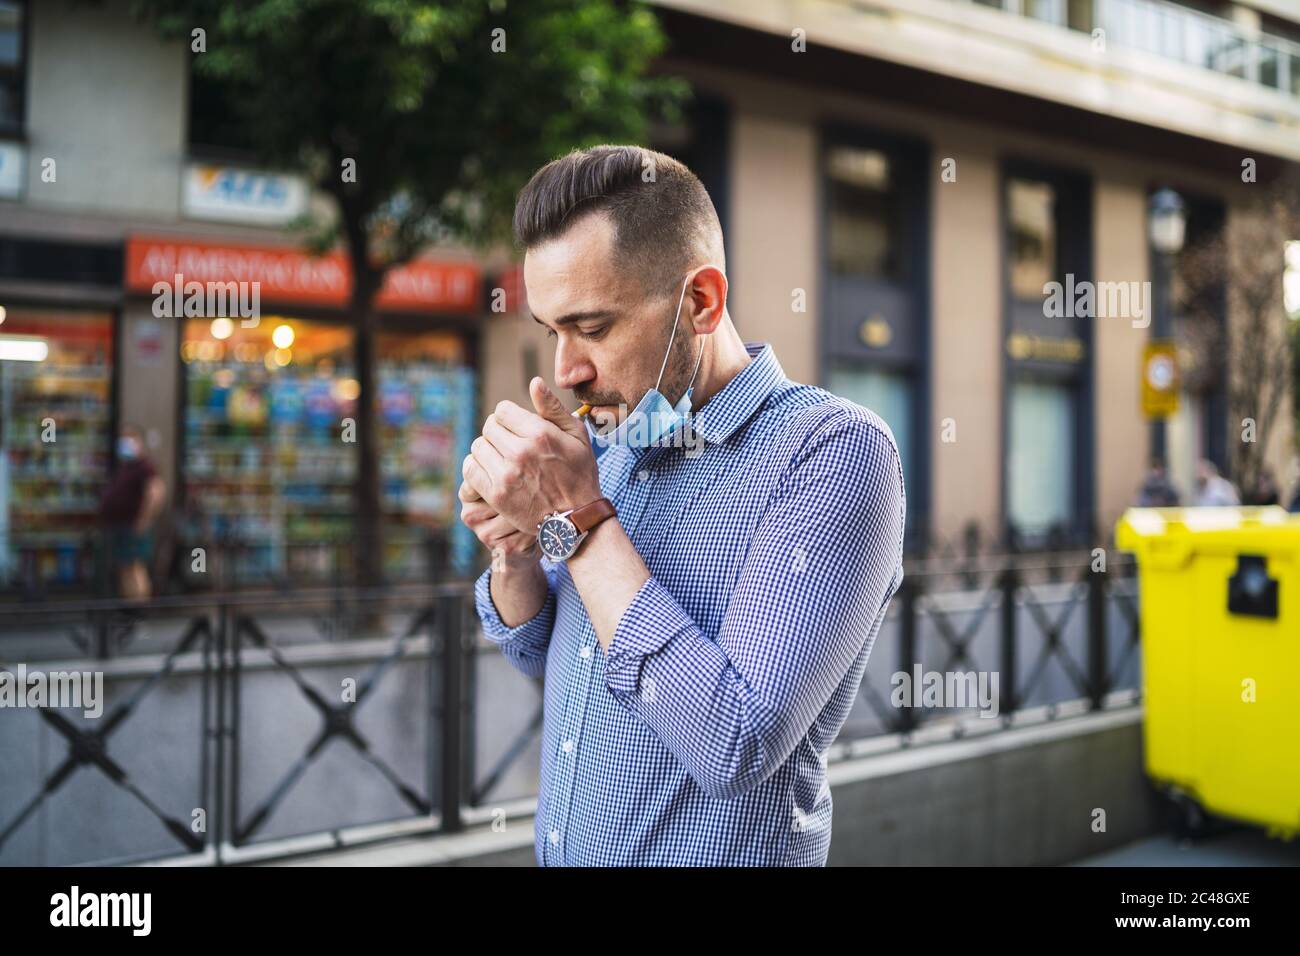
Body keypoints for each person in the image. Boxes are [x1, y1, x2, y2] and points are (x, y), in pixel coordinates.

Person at [459, 145, 905, 866]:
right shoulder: (612, 437)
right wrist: (515, 553)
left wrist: (579, 518)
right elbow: (548, 652)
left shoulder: (832, 452)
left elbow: (737, 742)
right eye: (553, 332)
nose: (566, 372)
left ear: (700, 302)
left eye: (594, 328)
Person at [100, 424, 167, 599]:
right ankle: (129, 607)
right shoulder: (126, 466)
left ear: (139, 442)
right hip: (120, 525)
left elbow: (157, 492)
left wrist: (144, 520)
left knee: (135, 566)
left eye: (129, 438)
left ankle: (139, 609)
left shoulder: (144, 466)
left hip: (133, 526)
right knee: (124, 566)